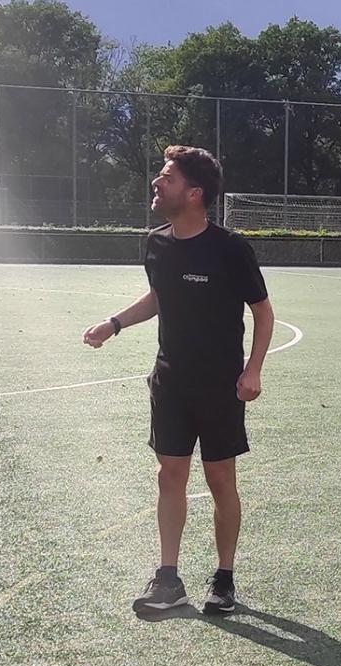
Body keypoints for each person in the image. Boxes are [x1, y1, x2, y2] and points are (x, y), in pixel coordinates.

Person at [82, 145, 273, 617]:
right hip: (169, 381)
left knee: (219, 478)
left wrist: (253, 369)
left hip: (220, 386)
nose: (156, 183)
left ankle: (224, 578)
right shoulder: (156, 242)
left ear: (193, 193)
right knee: (170, 475)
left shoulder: (231, 248)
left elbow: (264, 313)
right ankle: (168, 579)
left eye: (166, 177)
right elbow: (157, 297)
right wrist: (114, 323)